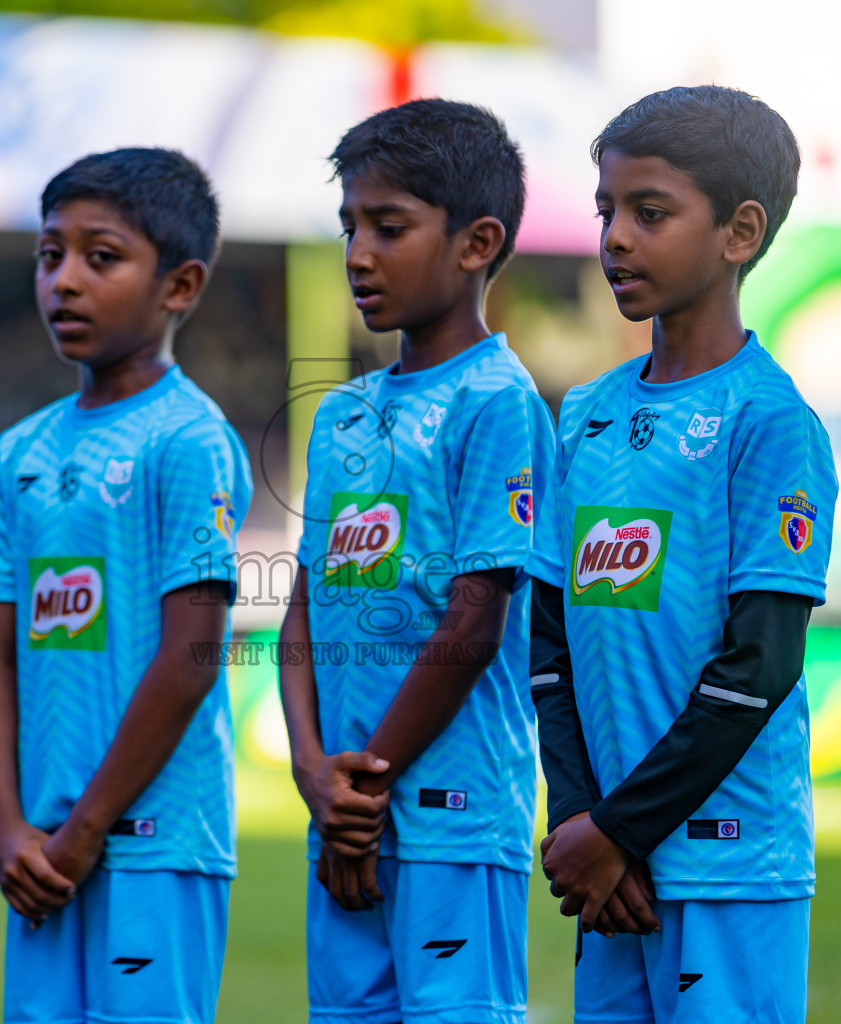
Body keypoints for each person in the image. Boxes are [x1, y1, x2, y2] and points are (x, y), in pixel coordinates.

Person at [530, 85, 838, 1024]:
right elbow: (550, 651)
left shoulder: (770, 422)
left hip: (729, 862)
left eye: (650, 213)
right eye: (607, 211)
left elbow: (760, 665)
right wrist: (585, 824)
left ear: (740, 231)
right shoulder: (582, 413)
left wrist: (623, 827)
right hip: (610, 863)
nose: (615, 237)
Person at [278, 98, 555, 1024]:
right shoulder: (343, 414)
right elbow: (303, 607)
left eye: (388, 227)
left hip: (452, 810)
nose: (358, 252)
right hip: (346, 813)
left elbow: (476, 621)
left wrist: (367, 782)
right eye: (350, 225)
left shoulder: (497, 402)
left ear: (477, 243)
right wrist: (315, 773)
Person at [0, 147, 252, 1024]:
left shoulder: (188, 440)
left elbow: (192, 657)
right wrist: (8, 826)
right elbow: (0, 656)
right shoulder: (18, 450)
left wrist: (89, 825)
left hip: (153, 843)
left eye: (102, 257)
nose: (65, 281)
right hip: (46, 850)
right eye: (50, 255)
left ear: (180, 286)